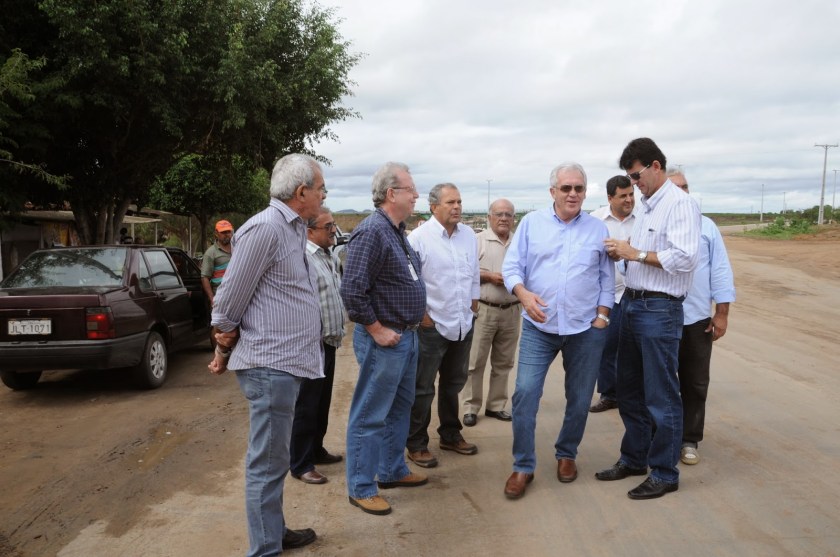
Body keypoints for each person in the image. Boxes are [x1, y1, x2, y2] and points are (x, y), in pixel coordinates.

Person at [208, 153, 326, 554]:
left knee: (275, 461)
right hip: (269, 365)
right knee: (267, 464)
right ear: (301, 192)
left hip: (284, 365)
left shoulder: (292, 228)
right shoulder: (265, 228)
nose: (324, 196)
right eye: (321, 188)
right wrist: (223, 341)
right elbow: (227, 301)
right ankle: (265, 549)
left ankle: (272, 533)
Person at [501, 163, 614, 500]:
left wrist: (602, 318)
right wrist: (522, 293)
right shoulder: (531, 224)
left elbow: (607, 279)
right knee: (524, 394)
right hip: (540, 326)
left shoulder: (597, 230)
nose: (573, 194)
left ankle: (567, 454)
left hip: (585, 330)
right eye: (566, 188)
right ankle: (523, 465)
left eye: (579, 188)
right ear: (553, 192)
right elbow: (511, 268)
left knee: (579, 400)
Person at [597, 138, 701, 500]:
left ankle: (664, 471)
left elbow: (685, 258)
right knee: (628, 389)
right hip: (632, 305)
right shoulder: (645, 207)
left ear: (656, 166)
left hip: (660, 309)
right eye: (630, 176)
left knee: (661, 394)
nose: (634, 182)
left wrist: (635, 252)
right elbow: (639, 255)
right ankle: (634, 457)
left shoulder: (680, 205)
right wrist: (621, 256)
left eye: (637, 174)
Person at [339, 162, 429, 516]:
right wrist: (376, 329)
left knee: (399, 409)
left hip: (406, 337)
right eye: (411, 189)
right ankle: (361, 487)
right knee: (370, 415)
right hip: (385, 340)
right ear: (392, 194)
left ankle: (392, 470)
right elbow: (352, 290)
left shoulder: (396, 230)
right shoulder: (373, 231)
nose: (416, 194)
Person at [406, 183, 481, 468]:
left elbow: (473, 274)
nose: (457, 207)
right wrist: (422, 315)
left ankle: (450, 434)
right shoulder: (418, 239)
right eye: (451, 202)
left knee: (453, 384)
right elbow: (411, 282)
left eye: (459, 202)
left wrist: (474, 305)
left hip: (463, 322)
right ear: (434, 206)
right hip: (431, 325)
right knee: (422, 387)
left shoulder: (468, 236)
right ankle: (416, 443)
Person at [668, 170, 736, 465]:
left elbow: (720, 271)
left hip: (697, 319)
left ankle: (689, 439)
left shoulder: (706, 226)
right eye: (675, 188)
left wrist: (721, 313)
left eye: (685, 187)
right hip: (660, 319)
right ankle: (662, 437)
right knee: (659, 383)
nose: (682, 192)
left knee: (695, 382)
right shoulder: (656, 224)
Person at [289, 207, 346, 485]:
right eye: (328, 226)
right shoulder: (304, 259)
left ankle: (316, 449)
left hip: (329, 343)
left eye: (333, 225)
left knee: (323, 402)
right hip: (311, 344)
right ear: (310, 231)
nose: (333, 230)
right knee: (307, 405)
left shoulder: (327, 256)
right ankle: (301, 462)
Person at [461, 198, 521, 427]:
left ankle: (496, 405)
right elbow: (464, 274)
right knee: (474, 363)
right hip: (484, 310)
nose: (504, 218)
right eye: (499, 214)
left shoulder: (519, 243)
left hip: (512, 310)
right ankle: (470, 407)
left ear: (514, 218)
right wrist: (488, 276)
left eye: (508, 214)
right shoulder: (477, 241)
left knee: (504, 363)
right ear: (489, 217)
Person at [589, 176, 636, 413]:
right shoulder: (595, 220)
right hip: (609, 295)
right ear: (610, 198)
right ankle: (609, 394)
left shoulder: (643, 219)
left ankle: (632, 395)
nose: (629, 199)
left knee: (635, 349)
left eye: (631, 194)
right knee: (606, 346)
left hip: (638, 294)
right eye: (623, 196)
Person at [201, 219, 234, 306]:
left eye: (228, 231)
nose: (227, 235)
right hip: (220, 298)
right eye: (223, 232)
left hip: (237, 296)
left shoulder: (238, 248)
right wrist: (212, 299)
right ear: (216, 233)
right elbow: (205, 277)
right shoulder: (210, 253)